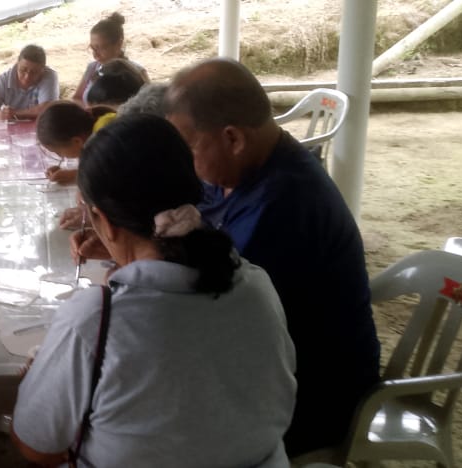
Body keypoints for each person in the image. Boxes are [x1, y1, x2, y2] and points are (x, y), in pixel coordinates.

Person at [12, 113, 296, 467]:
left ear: (105, 222)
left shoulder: (94, 320)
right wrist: (126, 261)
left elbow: (38, 447)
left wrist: (37, 378)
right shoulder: (256, 285)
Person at [160, 58, 380, 457]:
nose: (186, 163)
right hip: (270, 361)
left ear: (233, 138)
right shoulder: (236, 171)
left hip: (313, 395)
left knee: (154, 421)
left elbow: (217, 313)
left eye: (189, 147)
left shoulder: (285, 205)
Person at [72, 12, 150, 105]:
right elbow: (77, 98)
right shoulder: (92, 68)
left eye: (101, 48)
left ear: (119, 44)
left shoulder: (138, 72)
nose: (95, 55)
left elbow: (149, 104)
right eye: (93, 48)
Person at [36, 100, 116, 187]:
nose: (60, 156)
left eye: (58, 152)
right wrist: (69, 172)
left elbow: (114, 173)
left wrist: (74, 175)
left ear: (77, 141)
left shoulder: (104, 133)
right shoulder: (93, 136)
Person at [0, 44, 59, 121]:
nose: (27, 77)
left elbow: (48, 110)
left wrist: (15, 113)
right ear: (17, 64)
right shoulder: (4, 80)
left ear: (42, 70)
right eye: (23, 70)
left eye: (34, 72)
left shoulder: (49, 76)